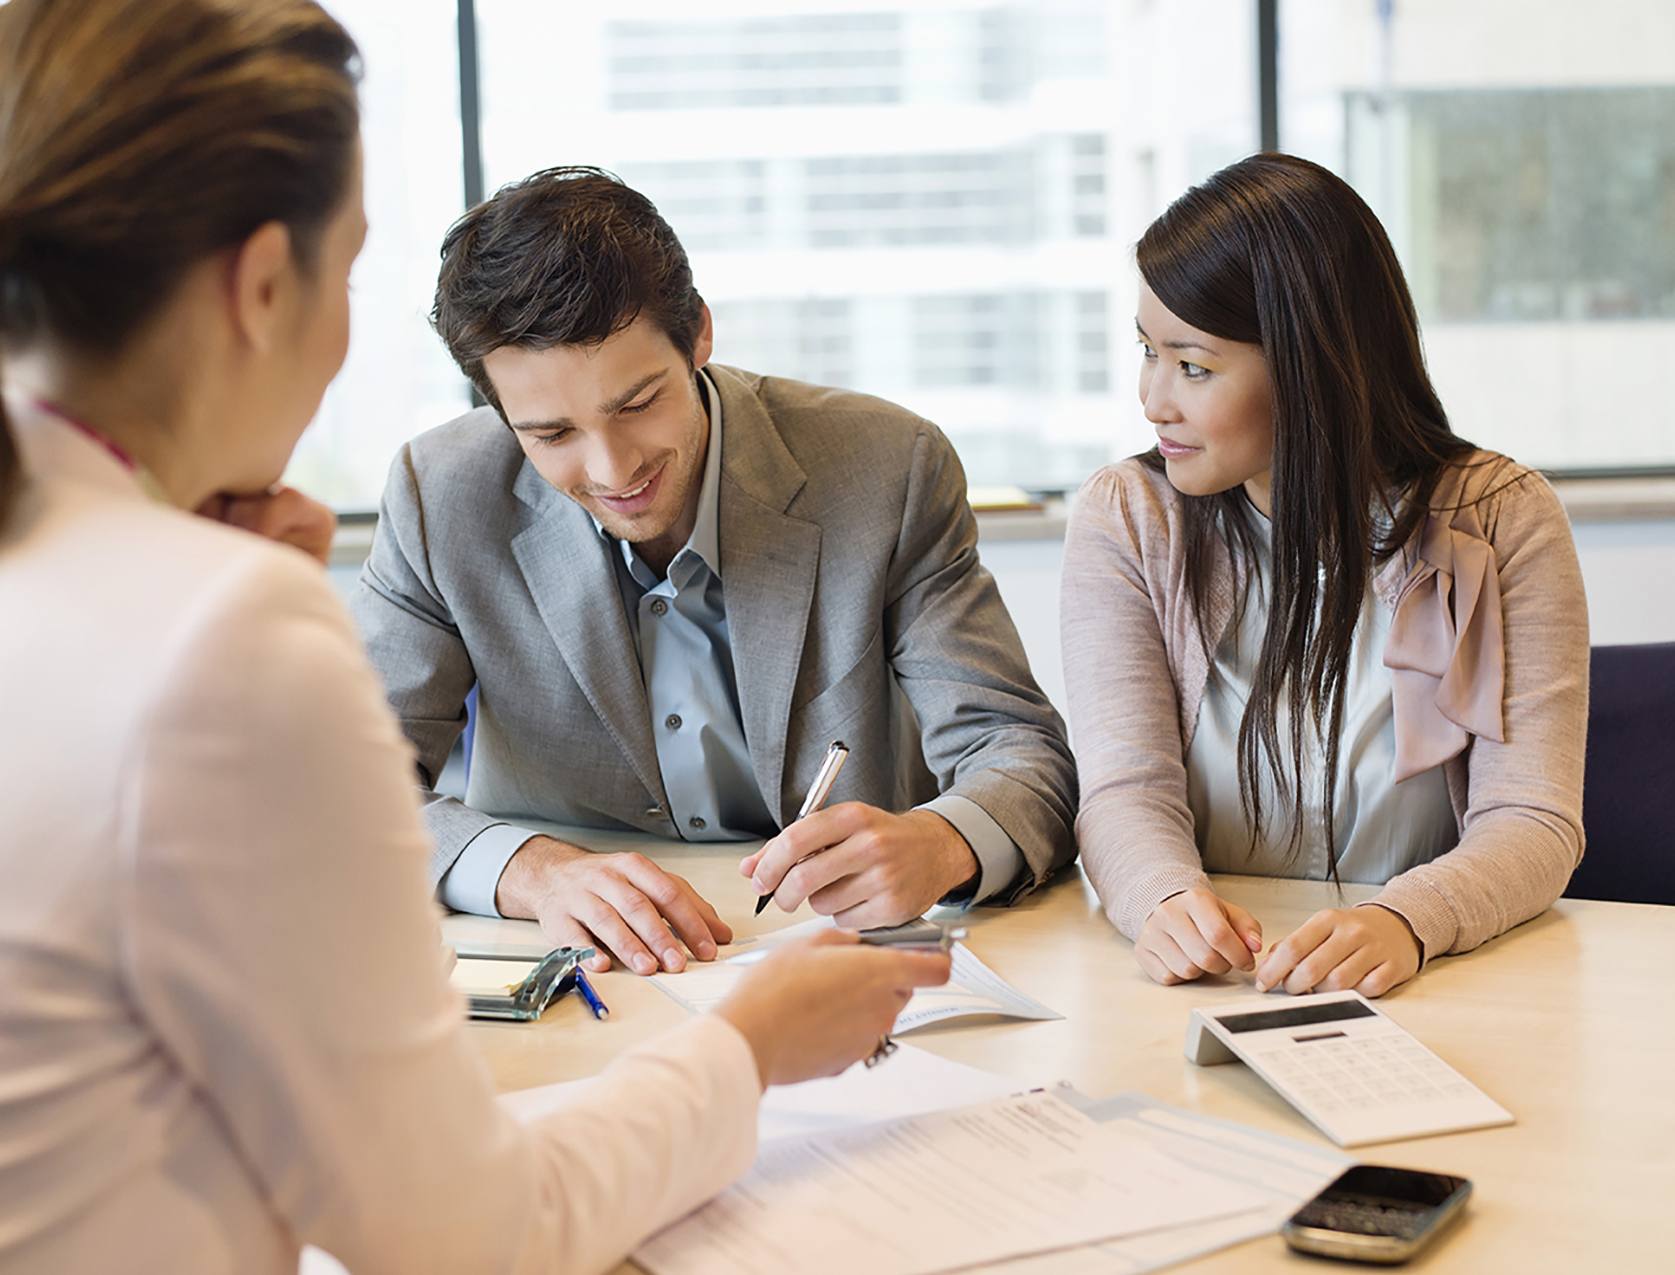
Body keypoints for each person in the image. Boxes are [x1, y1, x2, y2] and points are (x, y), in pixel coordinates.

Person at [0, 2, 950, 1270]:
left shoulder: (122, 583)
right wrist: (752, 1043)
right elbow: (468, 1237)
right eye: (348, 271)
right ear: (265, 285)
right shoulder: (221, 626)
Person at [352, 167, 1078, 976]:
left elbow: (1021, 755)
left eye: (636, 404)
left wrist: (942, 842)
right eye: (550, 433)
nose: (612, 467)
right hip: (574, 969)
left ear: (697, 333)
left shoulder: (885, 468)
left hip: (837, 963)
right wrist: (531, 871)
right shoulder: (439, 494)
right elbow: (348, 790)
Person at [1061, 154, 1588, 999]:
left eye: (1191, 366)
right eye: (1147, 353)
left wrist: (1408, 919)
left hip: (1433, 978)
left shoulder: (1502, 516)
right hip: (1215, 982)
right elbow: (1124, 789)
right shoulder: (1128, 517)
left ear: (1308, 365)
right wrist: (1162, 896)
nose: (1153, 398)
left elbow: (1531, 819)